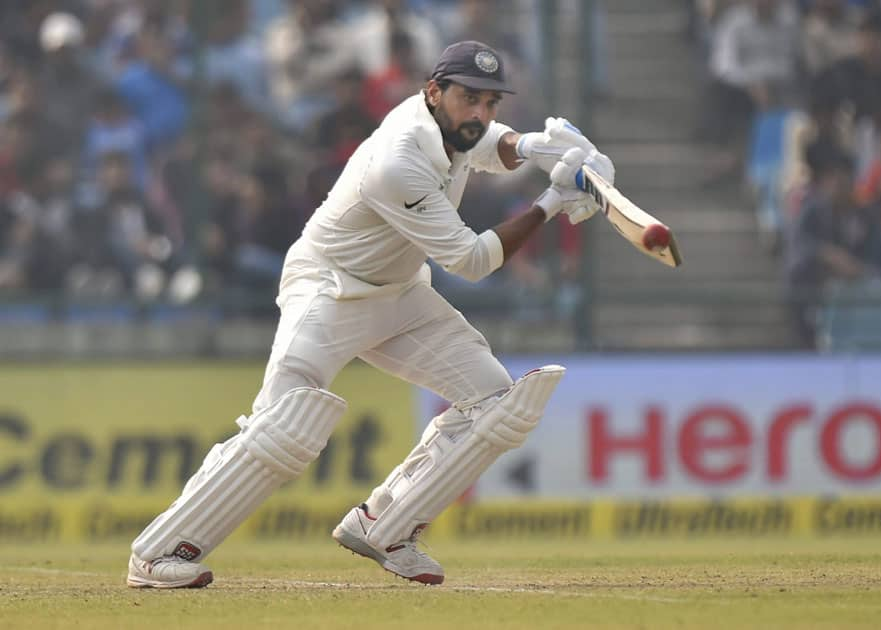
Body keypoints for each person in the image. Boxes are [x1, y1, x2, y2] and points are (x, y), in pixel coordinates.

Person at [125, 40, 614, 588]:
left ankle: (385, 524)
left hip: (399, 295)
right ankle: (157, 553)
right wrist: (550, 201)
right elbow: (471, 261)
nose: (480, 113)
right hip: (329, 290)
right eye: (469, 98)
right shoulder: (398, 159)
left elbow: (490, 144)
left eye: (491, 103)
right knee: (283, 427)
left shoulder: (455, 128)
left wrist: (537, 146)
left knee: (498, 403)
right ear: (434, 92)